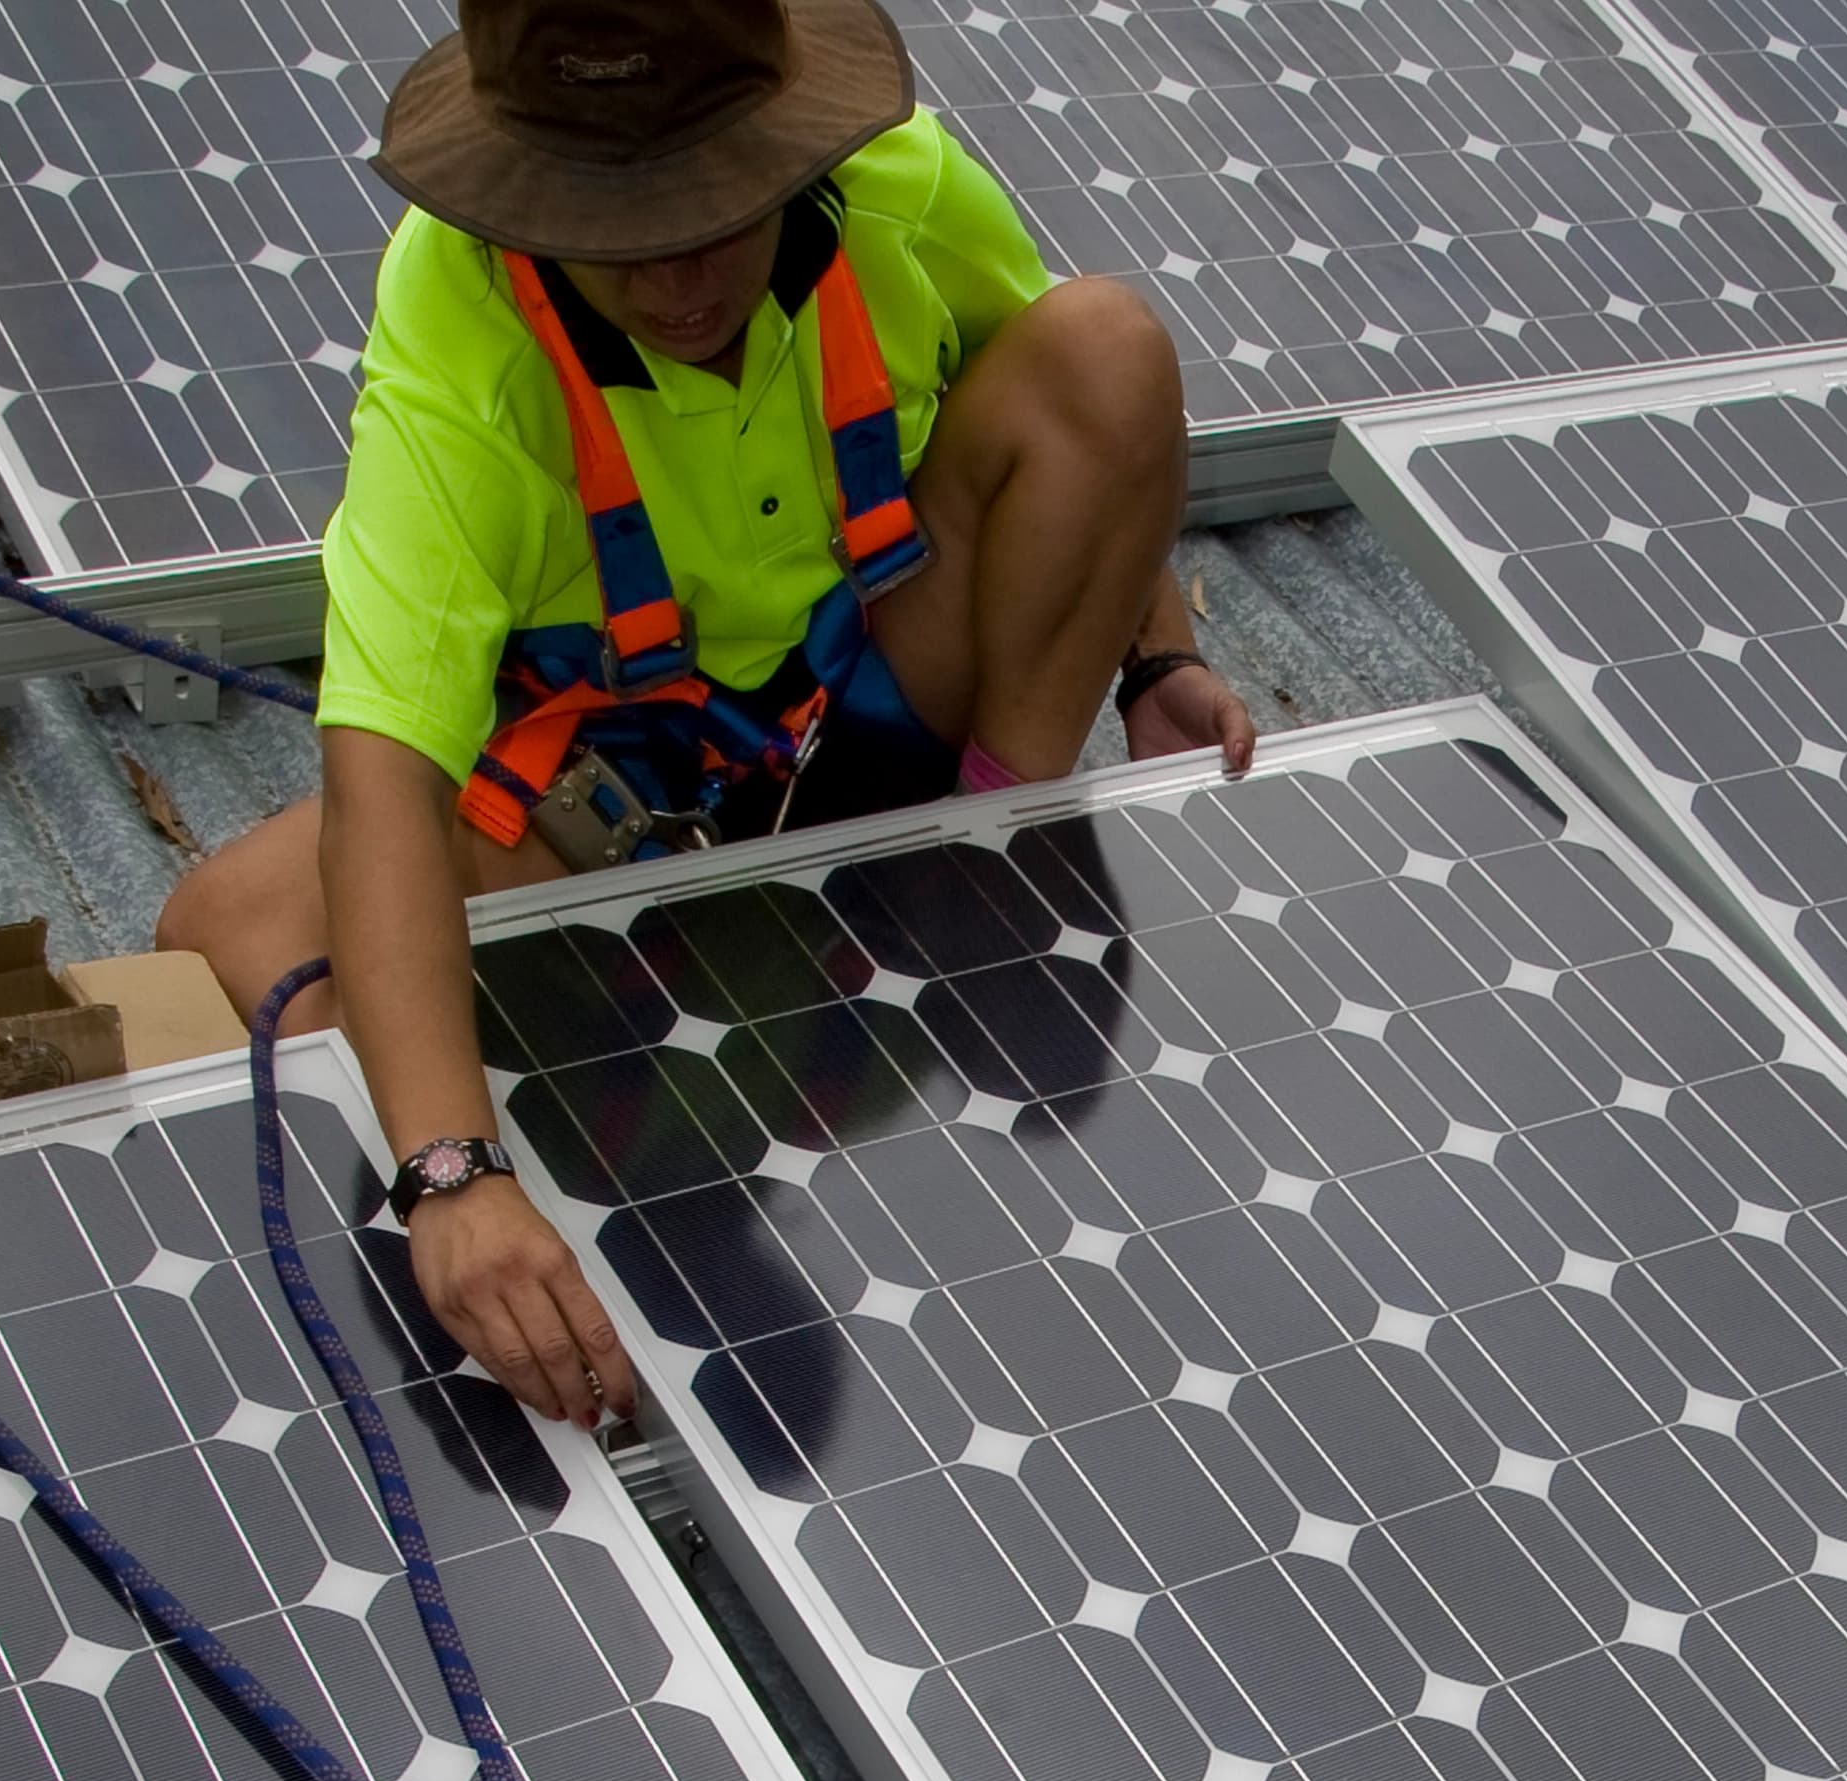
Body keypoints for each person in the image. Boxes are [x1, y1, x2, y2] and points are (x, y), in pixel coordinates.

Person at [154, 0, 1253, 1433]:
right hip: (613, 791)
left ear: (789, 154)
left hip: (875, 710)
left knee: (1109, 339)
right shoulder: (455, 343)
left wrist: (1150, 656)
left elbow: (1088, 411)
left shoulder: (902, 187)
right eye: (616, 235)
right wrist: (450, 1178)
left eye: (713, 216)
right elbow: (385, 771)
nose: (674, 281)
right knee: (224, 929)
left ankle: (982, 854)